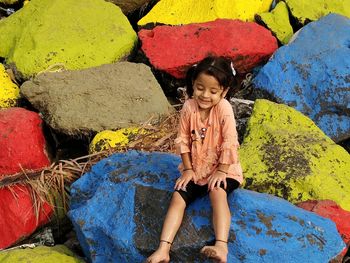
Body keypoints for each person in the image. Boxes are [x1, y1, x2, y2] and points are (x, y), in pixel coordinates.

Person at [146, 56, 243, 263]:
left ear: (224, 91)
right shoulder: (189, 107)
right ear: (193, 84)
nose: (205, 95)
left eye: (213, 91)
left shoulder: (224, 108)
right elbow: (182, 140)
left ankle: (221, 246)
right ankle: (163, 249)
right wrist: (188, 169)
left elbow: (230, 141)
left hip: (223, 169)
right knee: (177, 197)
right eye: (200, 88)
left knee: (217, 192)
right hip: (197, 169)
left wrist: (222, 170)